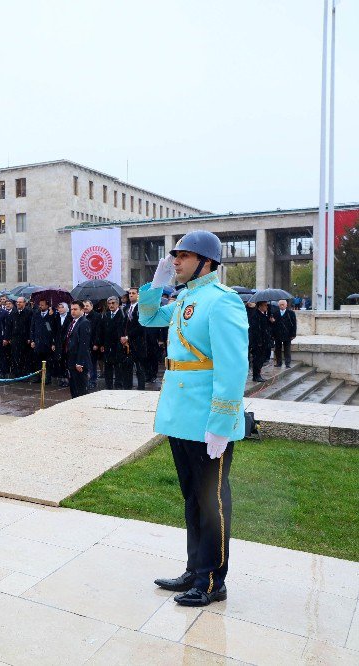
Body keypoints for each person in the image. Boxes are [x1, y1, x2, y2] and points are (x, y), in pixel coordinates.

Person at [140, 230, 248, 607]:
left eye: (183, 255)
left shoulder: (222, 302)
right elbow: (149, 318)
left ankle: (213, 579)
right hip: (180, 416)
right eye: (175, 255)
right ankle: (194, 570)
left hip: (206, 420)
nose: (175, 261)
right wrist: (155, 287)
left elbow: (233, 370)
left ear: (207, 261)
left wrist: (220, 425)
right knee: (192, 499)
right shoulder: (187, 297)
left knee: (212, 501)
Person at [64, 300, 92, 398]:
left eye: (75, 309)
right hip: (71, 360)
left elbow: (83, 344)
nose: (73, 311)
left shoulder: (84, 323)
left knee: (81, 391)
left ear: (82, 310)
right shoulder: (72, 322)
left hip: (79, 362)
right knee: (73, 389)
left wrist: (80, 362)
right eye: (71, 309)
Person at [122, 288, 148, 390]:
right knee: (127, 366)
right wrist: (123, 336)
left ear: (138, 295)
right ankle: (128, 387)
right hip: (128, 343)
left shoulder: (141, 308)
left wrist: (128, 336)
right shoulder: (126, 308)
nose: (131, 295)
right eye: (130, 293)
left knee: (139, 368)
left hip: (138, 342)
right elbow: (124, 324)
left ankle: (141, 388)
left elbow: (141, 326)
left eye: (133, 293)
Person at [100, 296, 126, 389]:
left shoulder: (123, 314)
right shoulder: (106, 315)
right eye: (109, 303)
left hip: (118, 344)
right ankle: (108, 386)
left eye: (113, 303)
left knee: (118, 366)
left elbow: (124, 330)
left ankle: (118, 385)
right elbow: (102, 331)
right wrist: (102, 344)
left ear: (118, 304)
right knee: (108, 366)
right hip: (108, 345)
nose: (111, 305)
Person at [30, 299, 55, 384]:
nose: (40, 306)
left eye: (42, 305)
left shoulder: (51, 314)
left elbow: (51, 329)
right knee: (37, 361)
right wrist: (32, 340)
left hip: (47, 343)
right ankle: (37, 377)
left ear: (47, 306)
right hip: (37, 342)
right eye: (40, 305)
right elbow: (32, 328)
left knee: (47, 362)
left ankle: (47, 378)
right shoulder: (36, 314)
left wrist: (51, 316)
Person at [248, 300, 274, 382]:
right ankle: (256, 376)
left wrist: (271, 322)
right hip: (258, 342)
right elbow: (255, 330)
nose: (266, 307)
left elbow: (266, 328)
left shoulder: (264, 315)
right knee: (257, 359)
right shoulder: (256, 315)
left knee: (262, 358)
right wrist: (258, 341)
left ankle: (258, 374)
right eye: (265, 305)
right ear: (260, 306)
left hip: (264, 341)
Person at [272, 299, 296, 368]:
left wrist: (293, 334)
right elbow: (272, 325)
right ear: (278, 305)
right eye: (280, 305)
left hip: (287, 334)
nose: (282, 306)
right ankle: (279, 363)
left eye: (283, 305)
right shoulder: (275, 313)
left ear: (286, 305)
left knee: (287, 349)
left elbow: (294, 324)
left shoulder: (291, 313)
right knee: (277, 349)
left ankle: (287, 363)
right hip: (277, 334)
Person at [83, 300, 101, 389]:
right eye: (84, 306)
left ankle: (93, 380)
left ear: (91, 306)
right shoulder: (82, 316)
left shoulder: (97, 316)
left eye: (87, 305)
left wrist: (96, 343)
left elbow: (98, 331)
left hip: (92, 344)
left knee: (92, 363)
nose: (85, 307)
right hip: (83, 343)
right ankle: (85, 380)